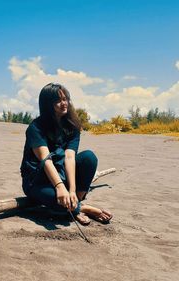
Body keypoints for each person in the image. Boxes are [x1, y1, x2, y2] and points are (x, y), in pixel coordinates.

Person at [20, 82, 112, 225]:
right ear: (47, 104)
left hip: (61, 173)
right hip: (38, 180)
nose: (64, 103)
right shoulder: (36, 127)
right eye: (58, 100)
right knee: (56, 198)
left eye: (65, 99)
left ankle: (76, 202)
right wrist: (60, 187)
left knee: (89, 157)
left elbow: (70, 158)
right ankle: (81, 209)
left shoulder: (72, 126)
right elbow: (46, 160)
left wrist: (73, 191)